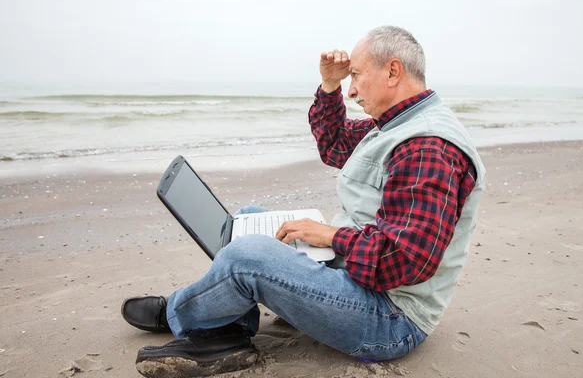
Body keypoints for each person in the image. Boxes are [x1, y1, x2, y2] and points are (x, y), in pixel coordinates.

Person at [121, 25, 486, 378]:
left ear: (393, 71)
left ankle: (178, 314)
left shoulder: (427, 146)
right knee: (249, 220)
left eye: (356, 76)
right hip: (356, 274)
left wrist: (330, 237)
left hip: (390, 319)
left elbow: (402, 260)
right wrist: (330, 83)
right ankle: (228, 328)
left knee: (246, 257)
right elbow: (336, 143)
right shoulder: (395, 123)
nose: (352, 90)